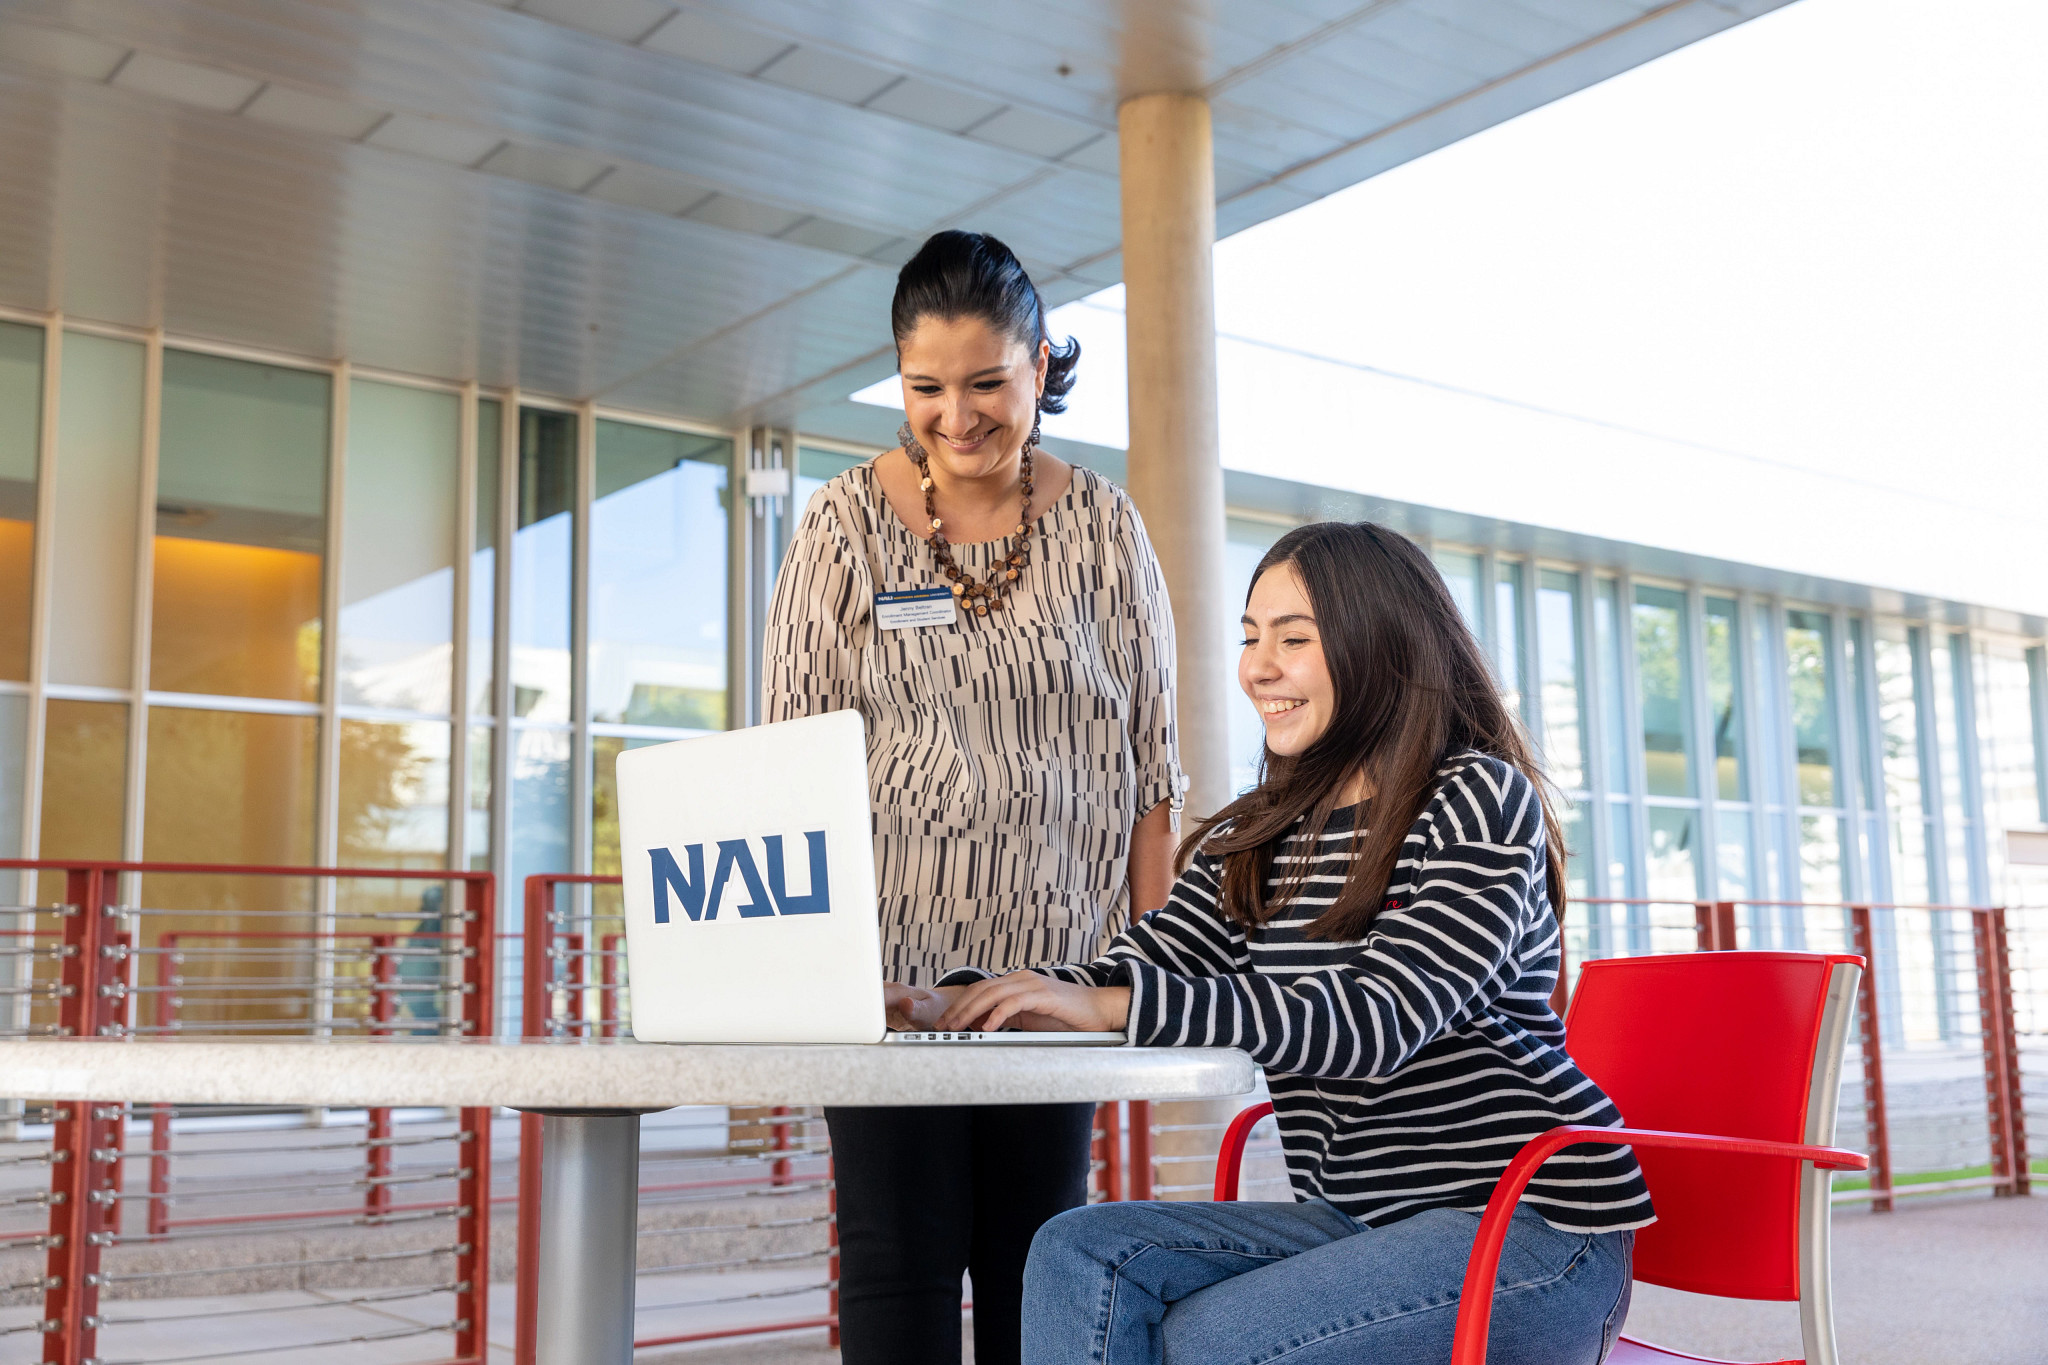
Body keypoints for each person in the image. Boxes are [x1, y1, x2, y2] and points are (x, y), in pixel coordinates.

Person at [891, 521, 1654, 1365]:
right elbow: (1141, 971)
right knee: (1076, 1252)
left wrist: (1114, 1002)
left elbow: (1377, 1021)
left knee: (1199, 1344)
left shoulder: (1474, 797)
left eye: (1294, 638)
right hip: (1358, 1219)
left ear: (1382, 644)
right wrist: (962, 1000)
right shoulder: (1254, 834)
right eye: (1252, 637)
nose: (1258, 665)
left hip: (1529, 1228)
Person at [762, 229, 1184, 1365]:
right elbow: (788, 769)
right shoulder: (840, 529)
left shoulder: (1103, 528)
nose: (958, 417)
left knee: (1034, 1264)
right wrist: (826, 977)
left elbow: (1151, 774)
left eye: (988, 382)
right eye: (927, 388)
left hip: (1055, 979)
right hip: (886, 982)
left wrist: (1136, 981)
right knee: (896, 1261)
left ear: (1041, 366)